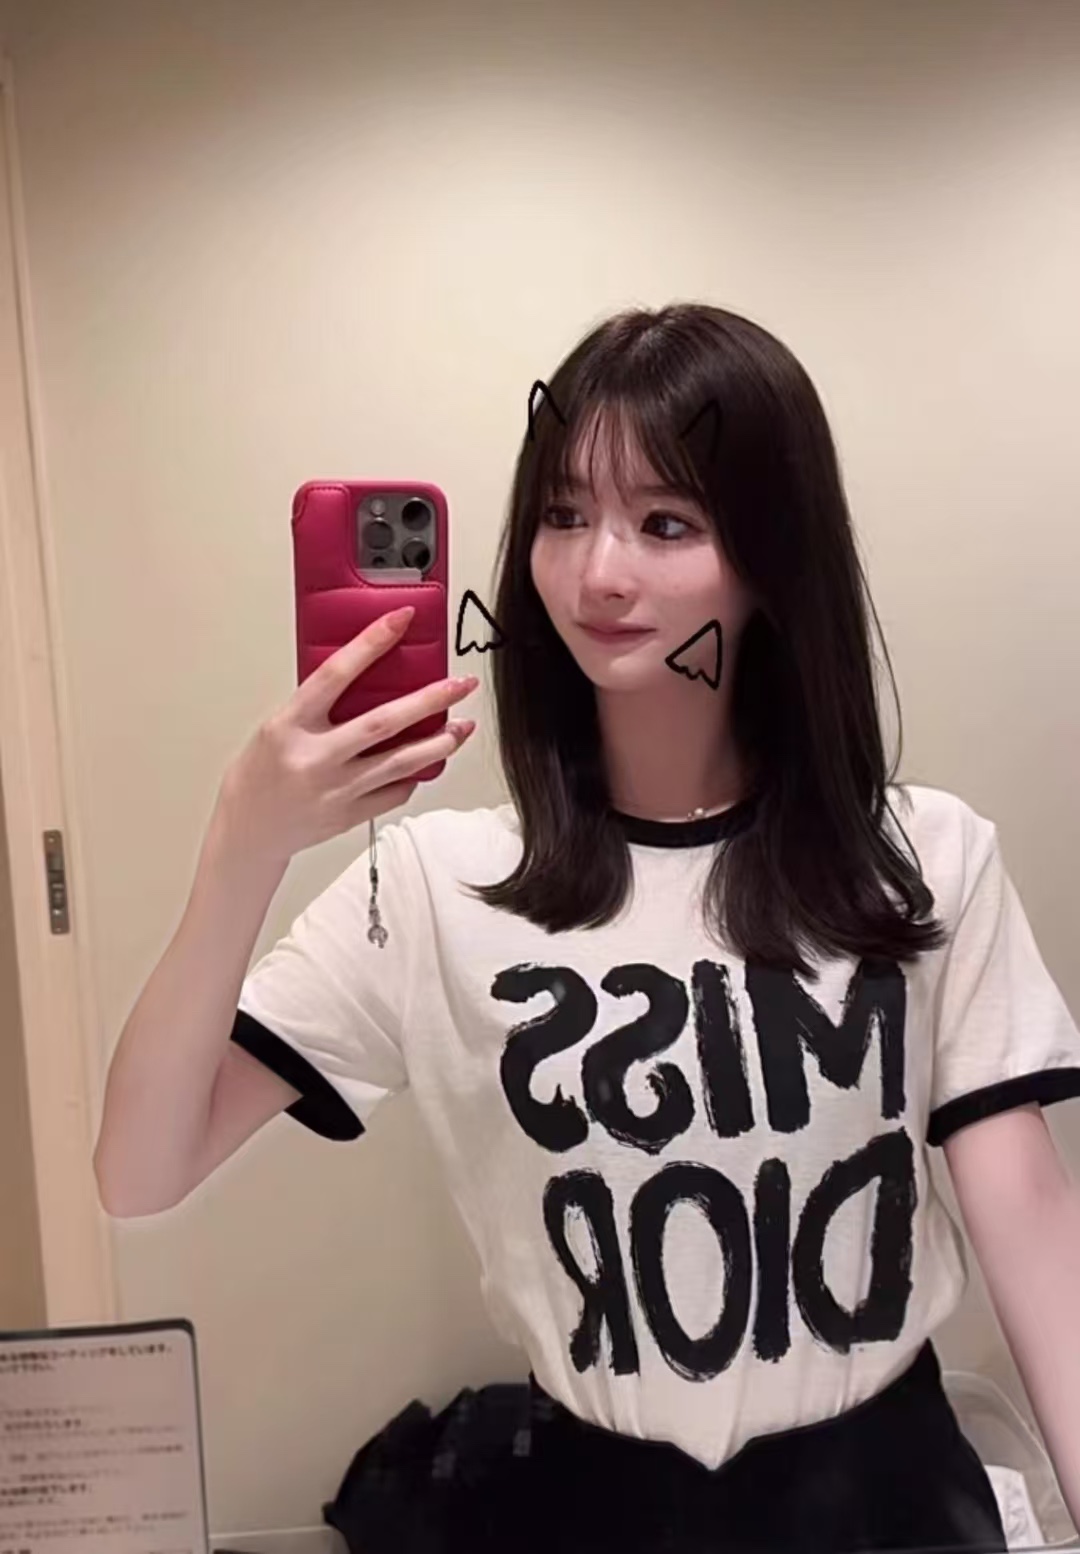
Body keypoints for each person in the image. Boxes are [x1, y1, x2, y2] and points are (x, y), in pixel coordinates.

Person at [93, 303, 1080, 1553]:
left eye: (666, 523)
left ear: (773, 559)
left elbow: (1030, 1223)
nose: (599, 572)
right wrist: (245, 843)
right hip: (592, 1505)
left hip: (888, 1500)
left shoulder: (923, 859)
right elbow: (140, 1171)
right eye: (563, 515)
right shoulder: (440, 887)